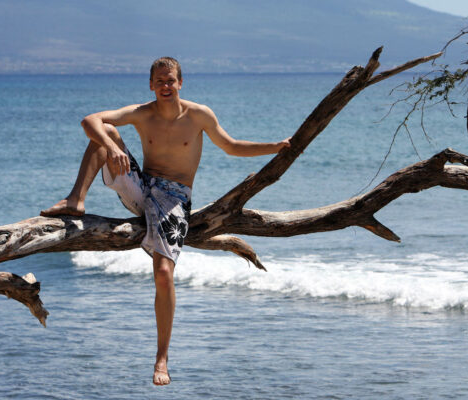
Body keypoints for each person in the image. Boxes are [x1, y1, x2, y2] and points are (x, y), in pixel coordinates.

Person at [40, 57, 291, 385]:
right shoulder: (143, 113)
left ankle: (162, 358)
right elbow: (90, 120)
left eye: (170, 80)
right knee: (107, 133)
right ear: (151, 85)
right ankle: (76, 200)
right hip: (142, 188)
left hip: (175, 200)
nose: (165, 86)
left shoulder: (199, 115)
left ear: (180, 82)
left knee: (162, 273)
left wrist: (276, 147)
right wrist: (109, 145)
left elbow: (231, 146)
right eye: (159, 81)